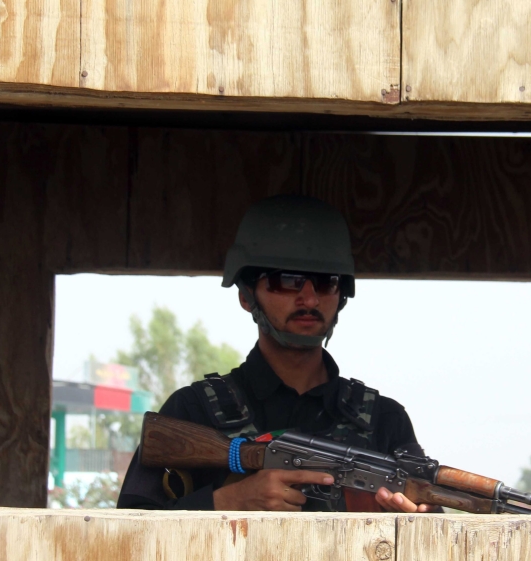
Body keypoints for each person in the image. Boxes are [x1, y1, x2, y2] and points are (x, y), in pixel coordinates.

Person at [117, 195, 433, 513]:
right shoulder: (193, 411)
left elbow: (433, 518)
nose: (309, 299)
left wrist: (412, 521)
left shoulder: (384, 421)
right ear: (246, 296)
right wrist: (226, 503)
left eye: (326, 283)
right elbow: (125, 529)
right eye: (288, 281)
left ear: (341, 296)